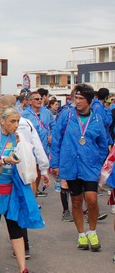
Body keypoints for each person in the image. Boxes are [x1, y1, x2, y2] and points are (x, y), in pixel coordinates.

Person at [51, 83, 108, 252]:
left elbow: (103, 145)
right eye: (75, 98)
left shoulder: (97, 119)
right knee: (76, 201)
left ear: (89, 101)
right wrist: (56, 164)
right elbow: (56, 140)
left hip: (90, 166)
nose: (77, 101)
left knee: (91, 199)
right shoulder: (66, 116)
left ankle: (92, 231)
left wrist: (98, 164)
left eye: (81, 99)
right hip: (70, 165)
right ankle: (81, 234)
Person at [0, 107, 41, 273]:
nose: (16, 125)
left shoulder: (18, 138)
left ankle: (23, 268)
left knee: (16, 229)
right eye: (12, 121)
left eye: (17, 121)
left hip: (14, 190)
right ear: (2, 121)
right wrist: (4, 160)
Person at [21, 91, 55, 197]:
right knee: (32, 171)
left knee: (40, 170)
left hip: (44, 145)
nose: (39, 101)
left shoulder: (46, 112)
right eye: (37, 99)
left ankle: (35, 192)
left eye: (40, 99)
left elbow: (54, 125)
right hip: (30, 146)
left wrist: (52, 135)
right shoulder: (24, 114)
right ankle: (32, 196)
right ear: (30, 101)